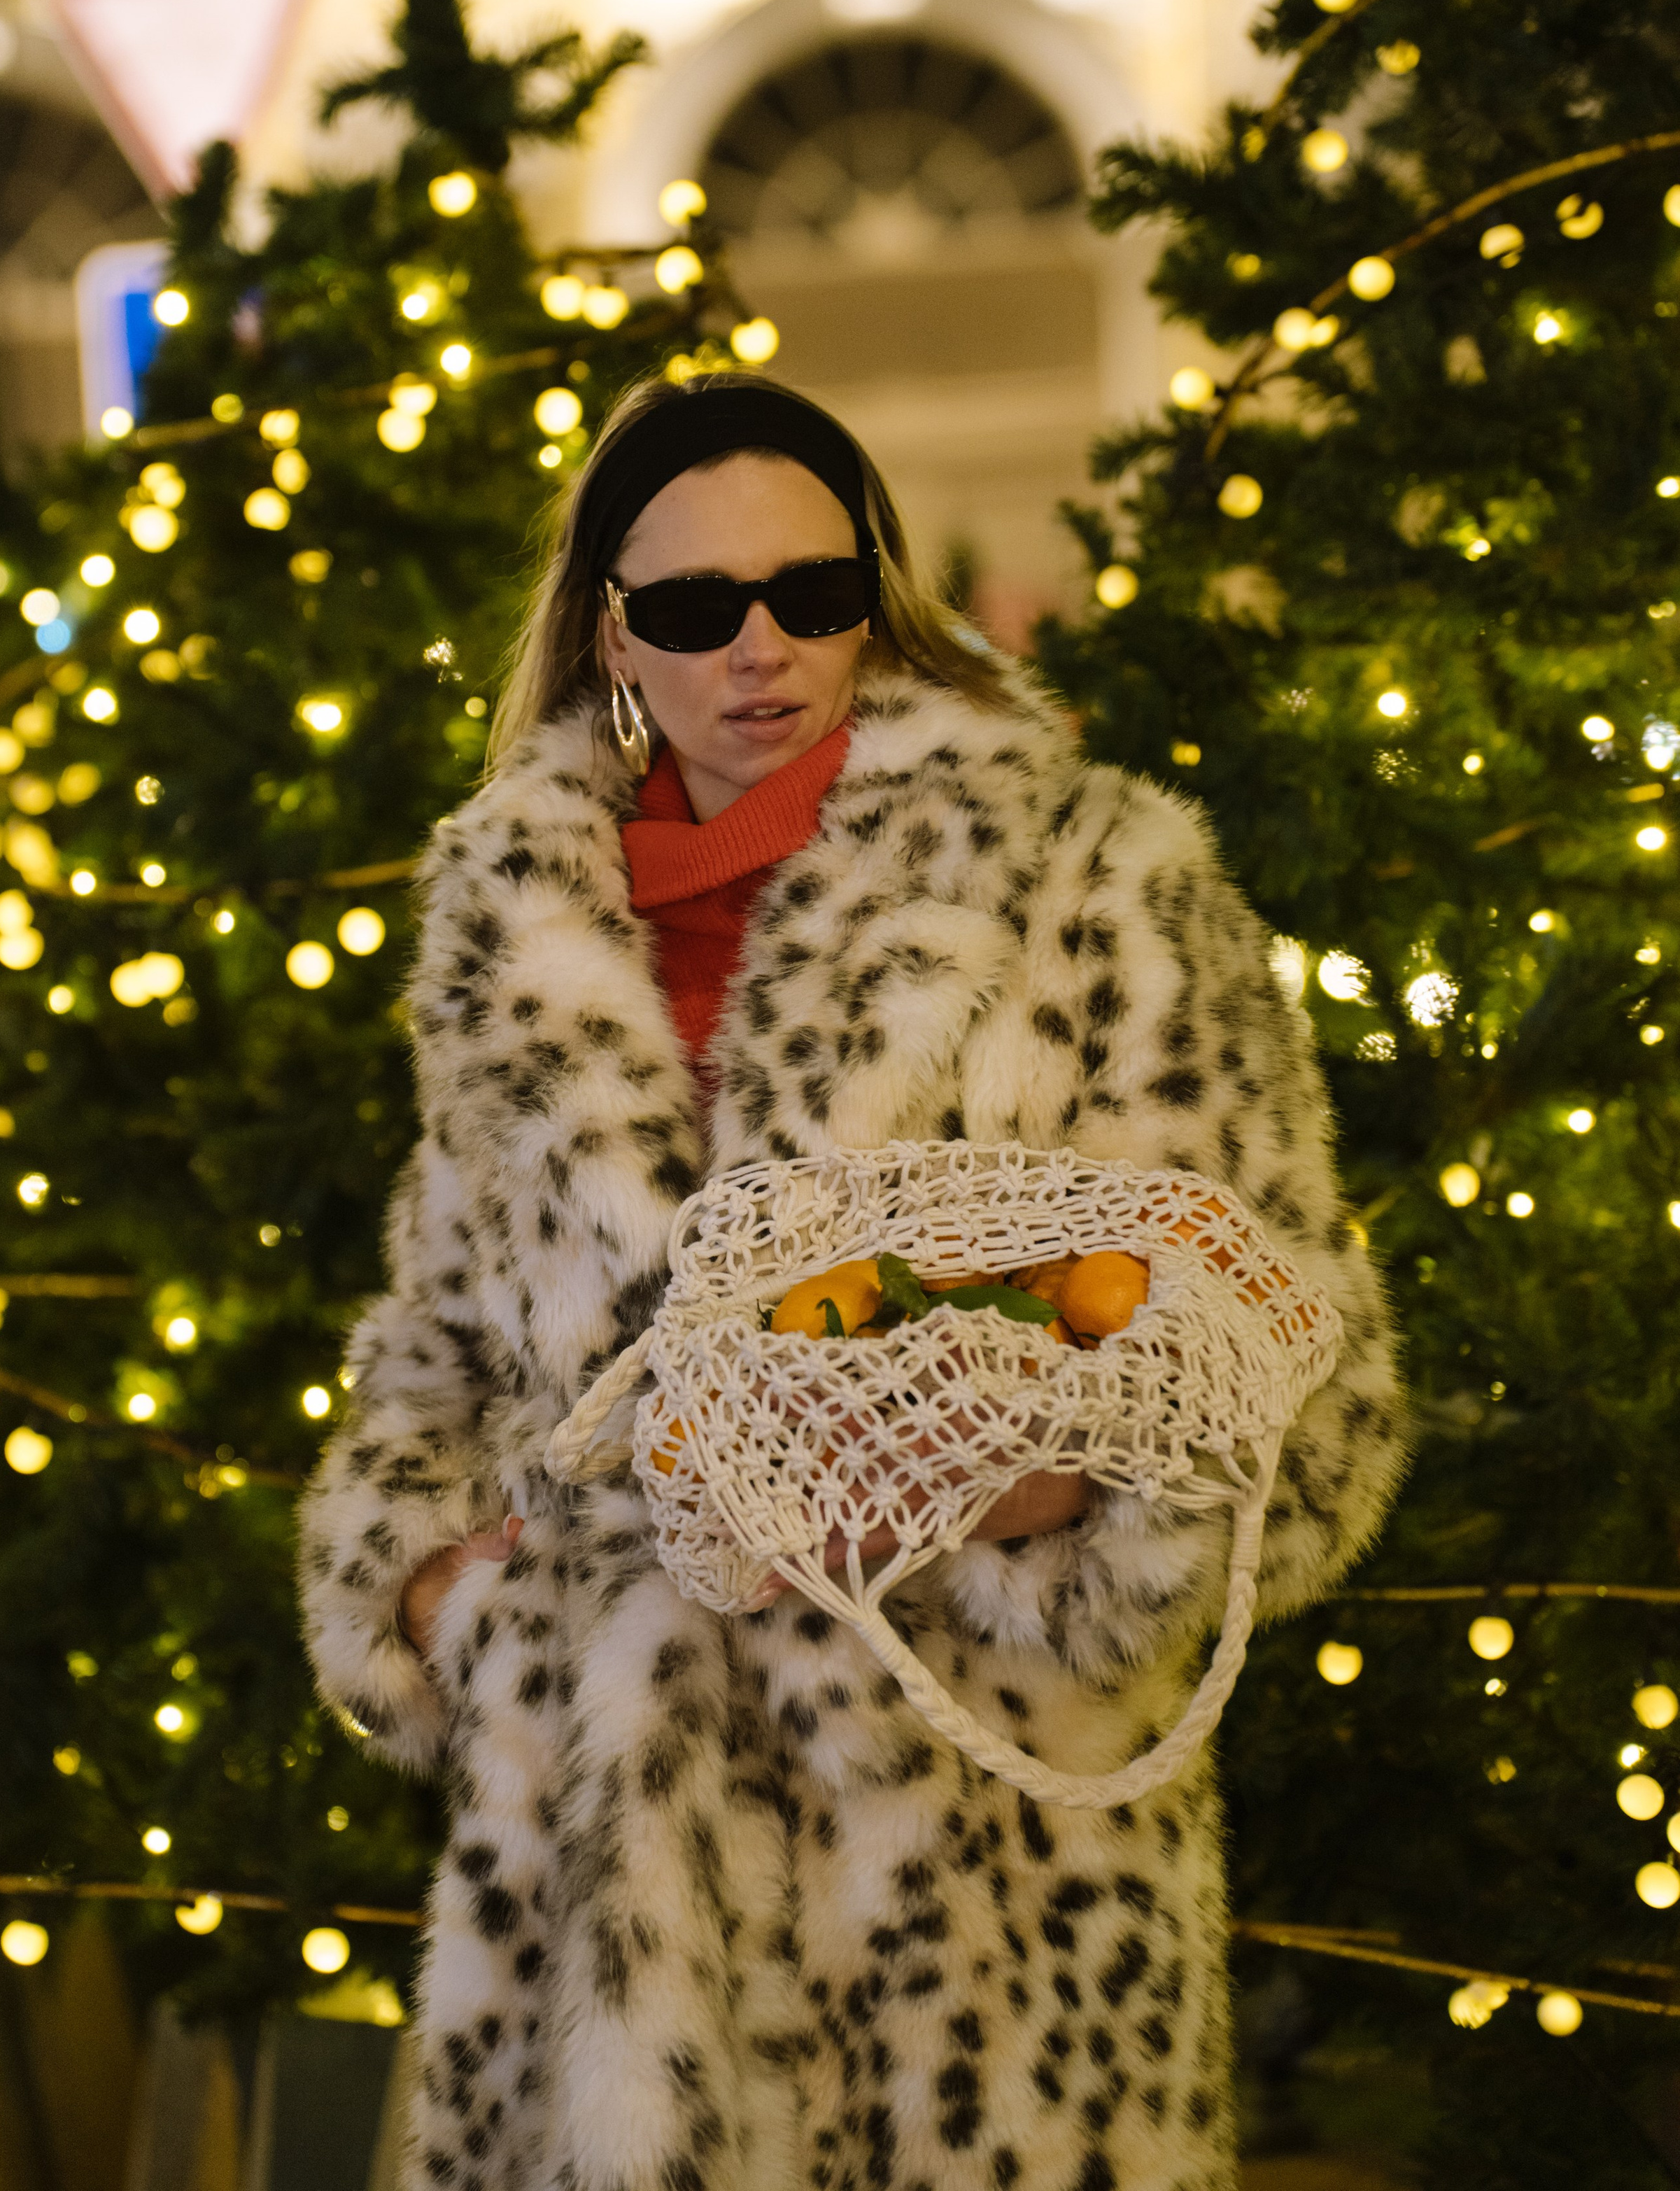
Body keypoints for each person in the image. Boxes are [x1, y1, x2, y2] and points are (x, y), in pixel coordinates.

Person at [299, 372, 1402, 2191]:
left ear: (872, 599)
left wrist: (1053, 1499)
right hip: (602, 1929)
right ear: (609, 633)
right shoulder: (514, 941)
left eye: (811, 594)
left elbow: (1305, 1364)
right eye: (693, 608)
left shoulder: (1086, 880)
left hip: (993, 1922)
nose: (762, 648)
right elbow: (437, 1354)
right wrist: (428, 1592)